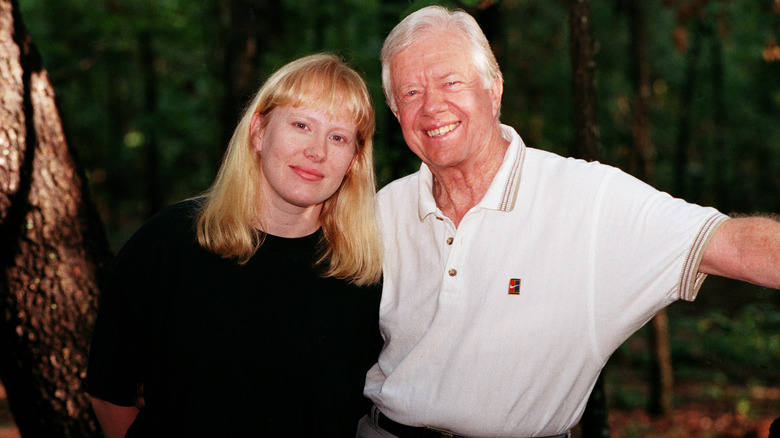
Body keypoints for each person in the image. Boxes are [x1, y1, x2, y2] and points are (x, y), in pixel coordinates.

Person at [359, 5, 780, 438]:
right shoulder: (381, 211)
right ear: (395, 111)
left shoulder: (586, 199)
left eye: (451, 82)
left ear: (494, 89)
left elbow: (735, 245)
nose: (431, 106)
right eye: (410, 93)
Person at [85, 53, 384, 438]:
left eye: (338, 137)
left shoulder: (362, 278)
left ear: (354, 160)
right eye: (301, 124)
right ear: (258, 131)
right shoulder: (167, 245)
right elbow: (109, 392)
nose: (317, 150)